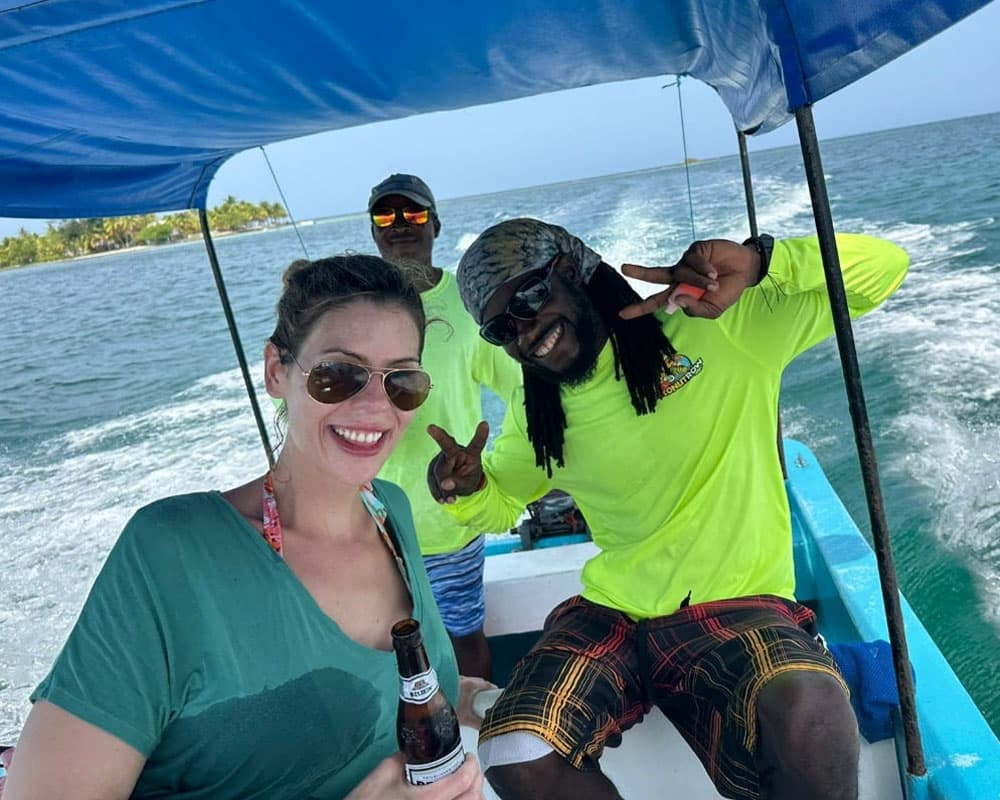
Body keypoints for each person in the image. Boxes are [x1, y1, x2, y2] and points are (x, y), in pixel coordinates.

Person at [426, 218, 910, 800]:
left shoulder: (716, 327)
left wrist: (762, 263)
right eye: (501, 329)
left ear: (574, 269)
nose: (524, 334)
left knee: (808, 700)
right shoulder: (540, 414)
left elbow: (883, 268)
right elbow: (501, 504)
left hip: (740, 604)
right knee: (512, 749)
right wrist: (463, 489)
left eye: (529, 299)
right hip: (614, 614)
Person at [3, 255, 486, 800]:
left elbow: (390, 694)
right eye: (338, 374)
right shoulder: (172, 552)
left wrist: (468, 697)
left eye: (402, 380)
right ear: (277, 371)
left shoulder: (391, 513)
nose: (376, 405)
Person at [367, 174, 521, 680]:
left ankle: (478, 748)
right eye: (385, 217)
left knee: (464, 641)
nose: (399, 226)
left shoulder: (469, 304)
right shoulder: (357, 304)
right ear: (374, 232)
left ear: (435, 223)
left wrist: (493, 471)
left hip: (449, 519)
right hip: (369, 523)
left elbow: (521, 388)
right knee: (383, 647)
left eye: (412, 214)